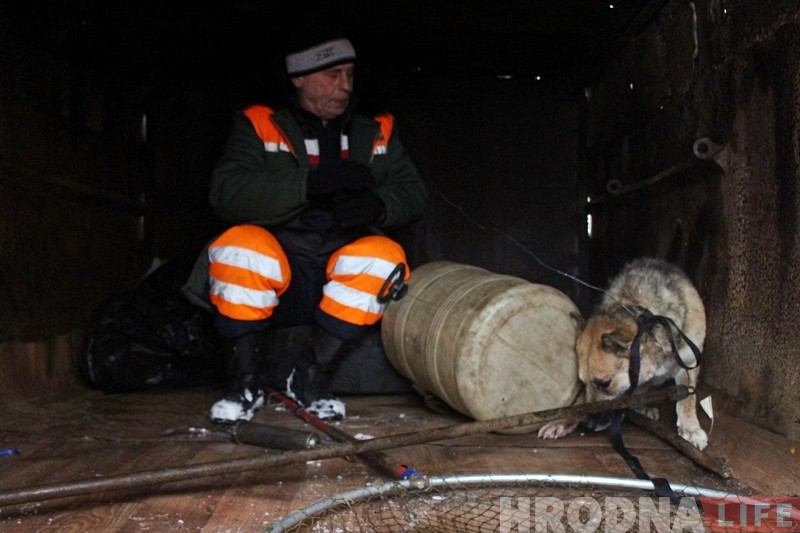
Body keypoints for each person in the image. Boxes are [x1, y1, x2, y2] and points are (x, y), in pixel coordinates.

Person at [182, 31, 428, 424]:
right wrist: (309, 184)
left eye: (349, 74)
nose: (345, 86)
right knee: (239, 247)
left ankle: (310, 376)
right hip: (282, 261)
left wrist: (378, 205)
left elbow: (412, 193)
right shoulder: (258, 122)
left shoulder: (376, 127)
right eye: (333, 75)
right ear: (298, 78)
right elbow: (226, 194)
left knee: (384, 259)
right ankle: (245, 382)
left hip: (338, 259)